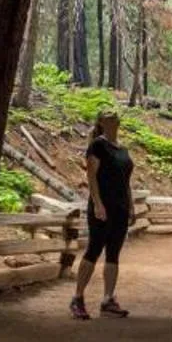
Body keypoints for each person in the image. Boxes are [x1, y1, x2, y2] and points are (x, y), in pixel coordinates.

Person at [71, 110, 135, 320]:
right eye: (107, 115)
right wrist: (98, 204)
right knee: (94, 248)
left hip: (121, 207)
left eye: (115, 115)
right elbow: (91, 176)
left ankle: (108, 299)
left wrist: (131, 206)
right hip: (102, 207)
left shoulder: (123, 149)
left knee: (113, 252)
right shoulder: (97, 145)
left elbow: (126, 182)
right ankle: (78, 297)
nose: (113, 117)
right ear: (101, 122)